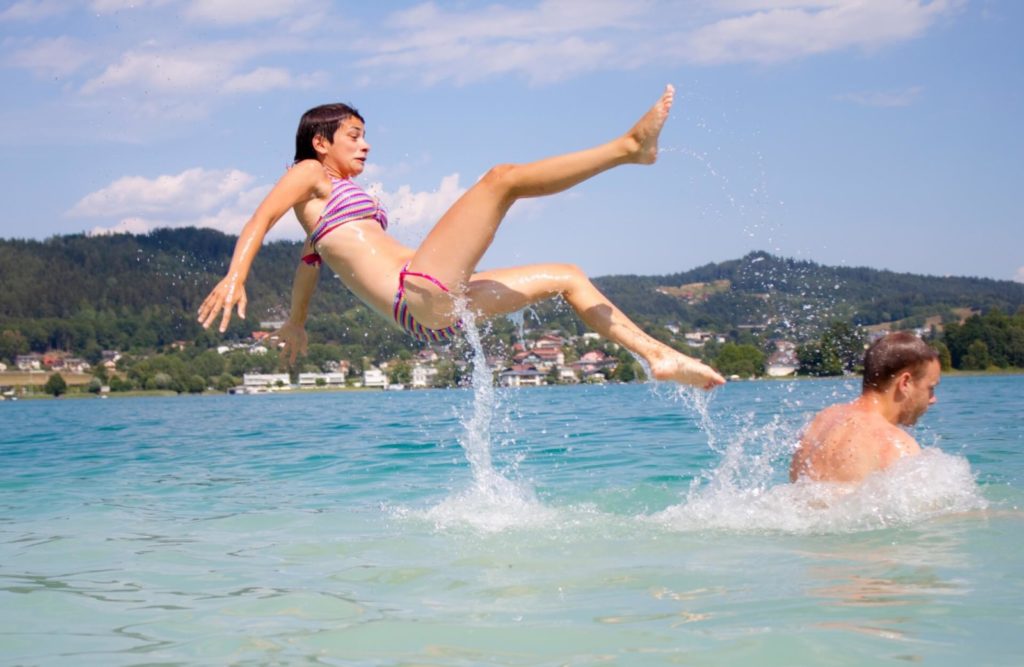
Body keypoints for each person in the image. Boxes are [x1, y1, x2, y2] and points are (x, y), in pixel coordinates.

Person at [198, 85, 725, 390]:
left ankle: (658, 356)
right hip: (418, 293)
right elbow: (259, 220)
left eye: (365, 136)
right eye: (353, 137)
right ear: (321, 142)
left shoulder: (324, 213)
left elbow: (309, 264)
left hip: (435, 311)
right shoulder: (308, 173)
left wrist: (295, 322)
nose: (365, 146)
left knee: (569, 277)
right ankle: (629, 147)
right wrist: (235, 275)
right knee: (502, 178)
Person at [789, 332, 941, 483]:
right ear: (905, 383)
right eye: (931, 388)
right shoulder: (896, 445)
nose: (933, 399)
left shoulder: (821, 421)